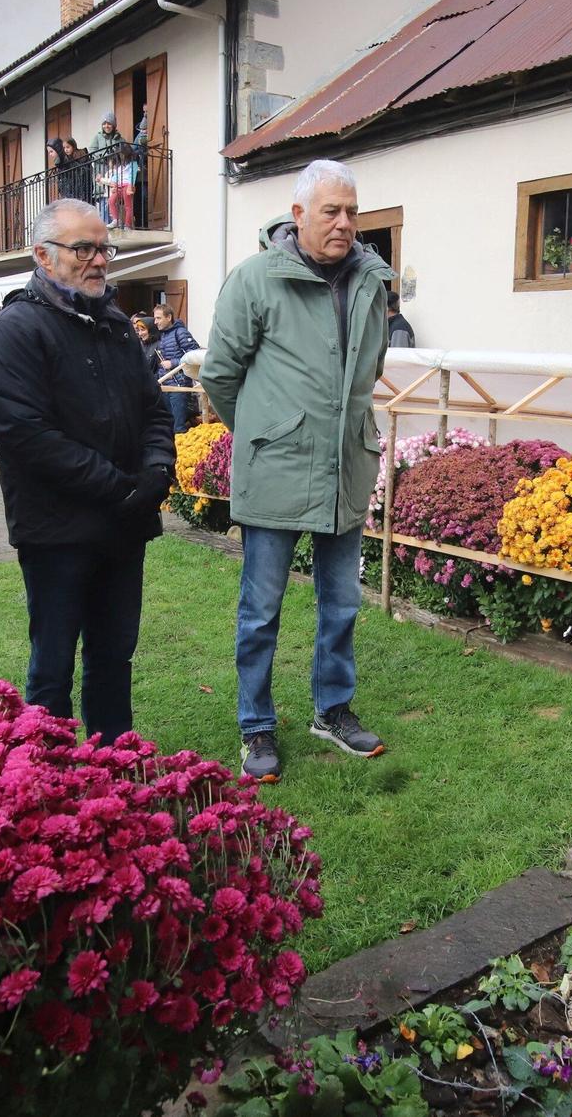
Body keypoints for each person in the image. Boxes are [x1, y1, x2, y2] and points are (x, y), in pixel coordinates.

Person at [199, 159, 394, 782]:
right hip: (277, 469)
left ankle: (332, 710)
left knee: (342, 603)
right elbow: (220, 375)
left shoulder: (370, 280)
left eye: (352, 212)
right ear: (299, 213)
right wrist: (267, 432)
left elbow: (370, 368)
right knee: (261, 610)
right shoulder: (255, 279)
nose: (344, 223)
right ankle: (256, 723)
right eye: (331, 211)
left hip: (345, 467)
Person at [0, 197, 173, 743]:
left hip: (123, 525)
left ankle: (113, 763)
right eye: (83, 248)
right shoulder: (14, 330)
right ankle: (50, 772)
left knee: (114, 655)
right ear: (43, 255)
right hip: (57, 531)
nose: (99, 260)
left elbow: (154, 410)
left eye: (104, 249)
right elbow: (29, 438)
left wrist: (157, 470)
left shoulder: (116, 325)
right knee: (53, 664)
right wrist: (121, 488)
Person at [152, 303, 200, 433]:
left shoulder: (180, 332)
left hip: (179, 386)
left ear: (169, 317)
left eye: (158, 318)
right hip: (165, 385)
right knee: (168, 427)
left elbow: (195, 355)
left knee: (178, 428)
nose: (155, 322)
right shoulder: (162, 335)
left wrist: (173, 363)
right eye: (155, 318)